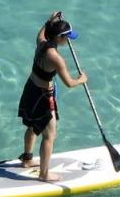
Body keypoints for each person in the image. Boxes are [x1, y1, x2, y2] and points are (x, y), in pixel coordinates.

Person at [17, 11, 88, 182]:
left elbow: (41, 33)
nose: (68, 40)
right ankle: (44, 174)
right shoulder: (56, 59)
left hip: (31, 89)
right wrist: (81, 80)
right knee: (49, 136)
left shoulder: (41, 43)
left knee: (34, 126)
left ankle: (27, 159)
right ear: (60, 38)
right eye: (67, 37)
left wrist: (49, 21)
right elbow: (69, 83)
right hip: (43, 97)